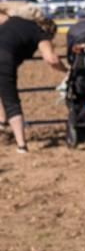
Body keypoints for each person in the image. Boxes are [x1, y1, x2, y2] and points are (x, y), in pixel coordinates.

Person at [0, 16, 66, 153]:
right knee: (11, 101)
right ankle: (21, 145)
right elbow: (51, 59)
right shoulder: (40, 33)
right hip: (4, 59)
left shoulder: (15, 20)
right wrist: (67, 70)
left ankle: (1, 122)